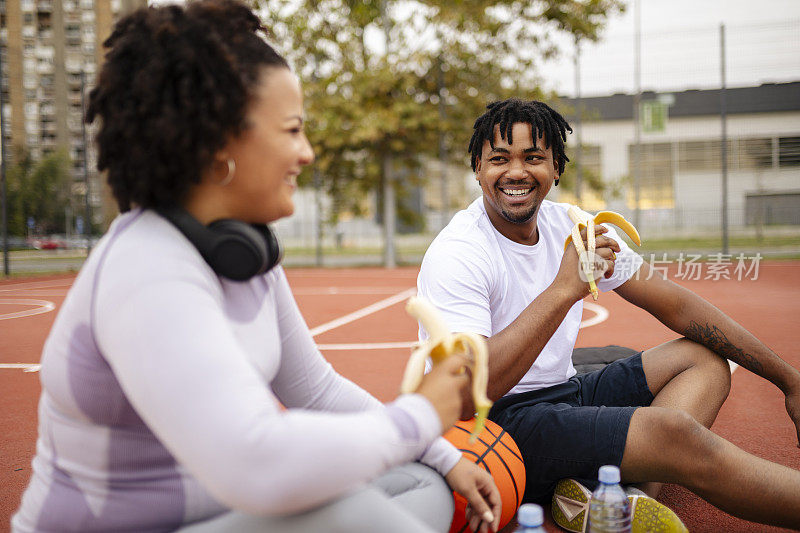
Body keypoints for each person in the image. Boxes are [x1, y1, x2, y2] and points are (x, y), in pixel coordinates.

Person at [11, 2, 501, 532]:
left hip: (228, 516)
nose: (307, 152)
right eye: (291, 130)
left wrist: (444, 455)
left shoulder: (245, 254)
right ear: (221, 142)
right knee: (357, 509)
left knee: (418, 482)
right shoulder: (146, 267)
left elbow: (315, 392)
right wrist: (423, 415)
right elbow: (257, 461)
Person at [416, 97, 800, 531]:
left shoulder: (573, 226)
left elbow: (675, 303)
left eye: (534, 158)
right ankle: (615, 496)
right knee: (676, 434)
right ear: (479, 170)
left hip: (564, 392)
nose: (517, 172)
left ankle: (621, 500)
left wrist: (788, 380)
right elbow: (471, 392)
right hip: (499, 424)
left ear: (556, 168)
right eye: (499, 159)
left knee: (706, 358)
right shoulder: (459, 251)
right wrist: (564, 289)